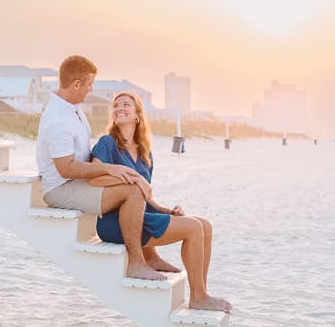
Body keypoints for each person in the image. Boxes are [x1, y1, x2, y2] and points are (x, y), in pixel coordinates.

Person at [89, 91, 230, 313]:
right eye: (115, 105)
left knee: (205, 225)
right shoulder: (107, 143)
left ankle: (202, 292)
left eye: (126, 104)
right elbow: (94, 177)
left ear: (137, 115)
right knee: (193, 229)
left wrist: (166, 210)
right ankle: (198, 297)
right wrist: (129, 176)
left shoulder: (145, 153)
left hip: (138, 217)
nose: (119, 108)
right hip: (114, 222)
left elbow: (145, 196)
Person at [38, 55, 170, 283]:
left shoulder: (73, 108)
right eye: (89, 84)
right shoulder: (57, 118)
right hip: (61, 188)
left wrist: (114, 172)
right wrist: (109, 169)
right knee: (131, 191)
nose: (91, 89)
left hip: (78, 180)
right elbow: (65, 169)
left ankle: (150, 255)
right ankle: (136, 263)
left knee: (130, 181)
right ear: (77, 84)